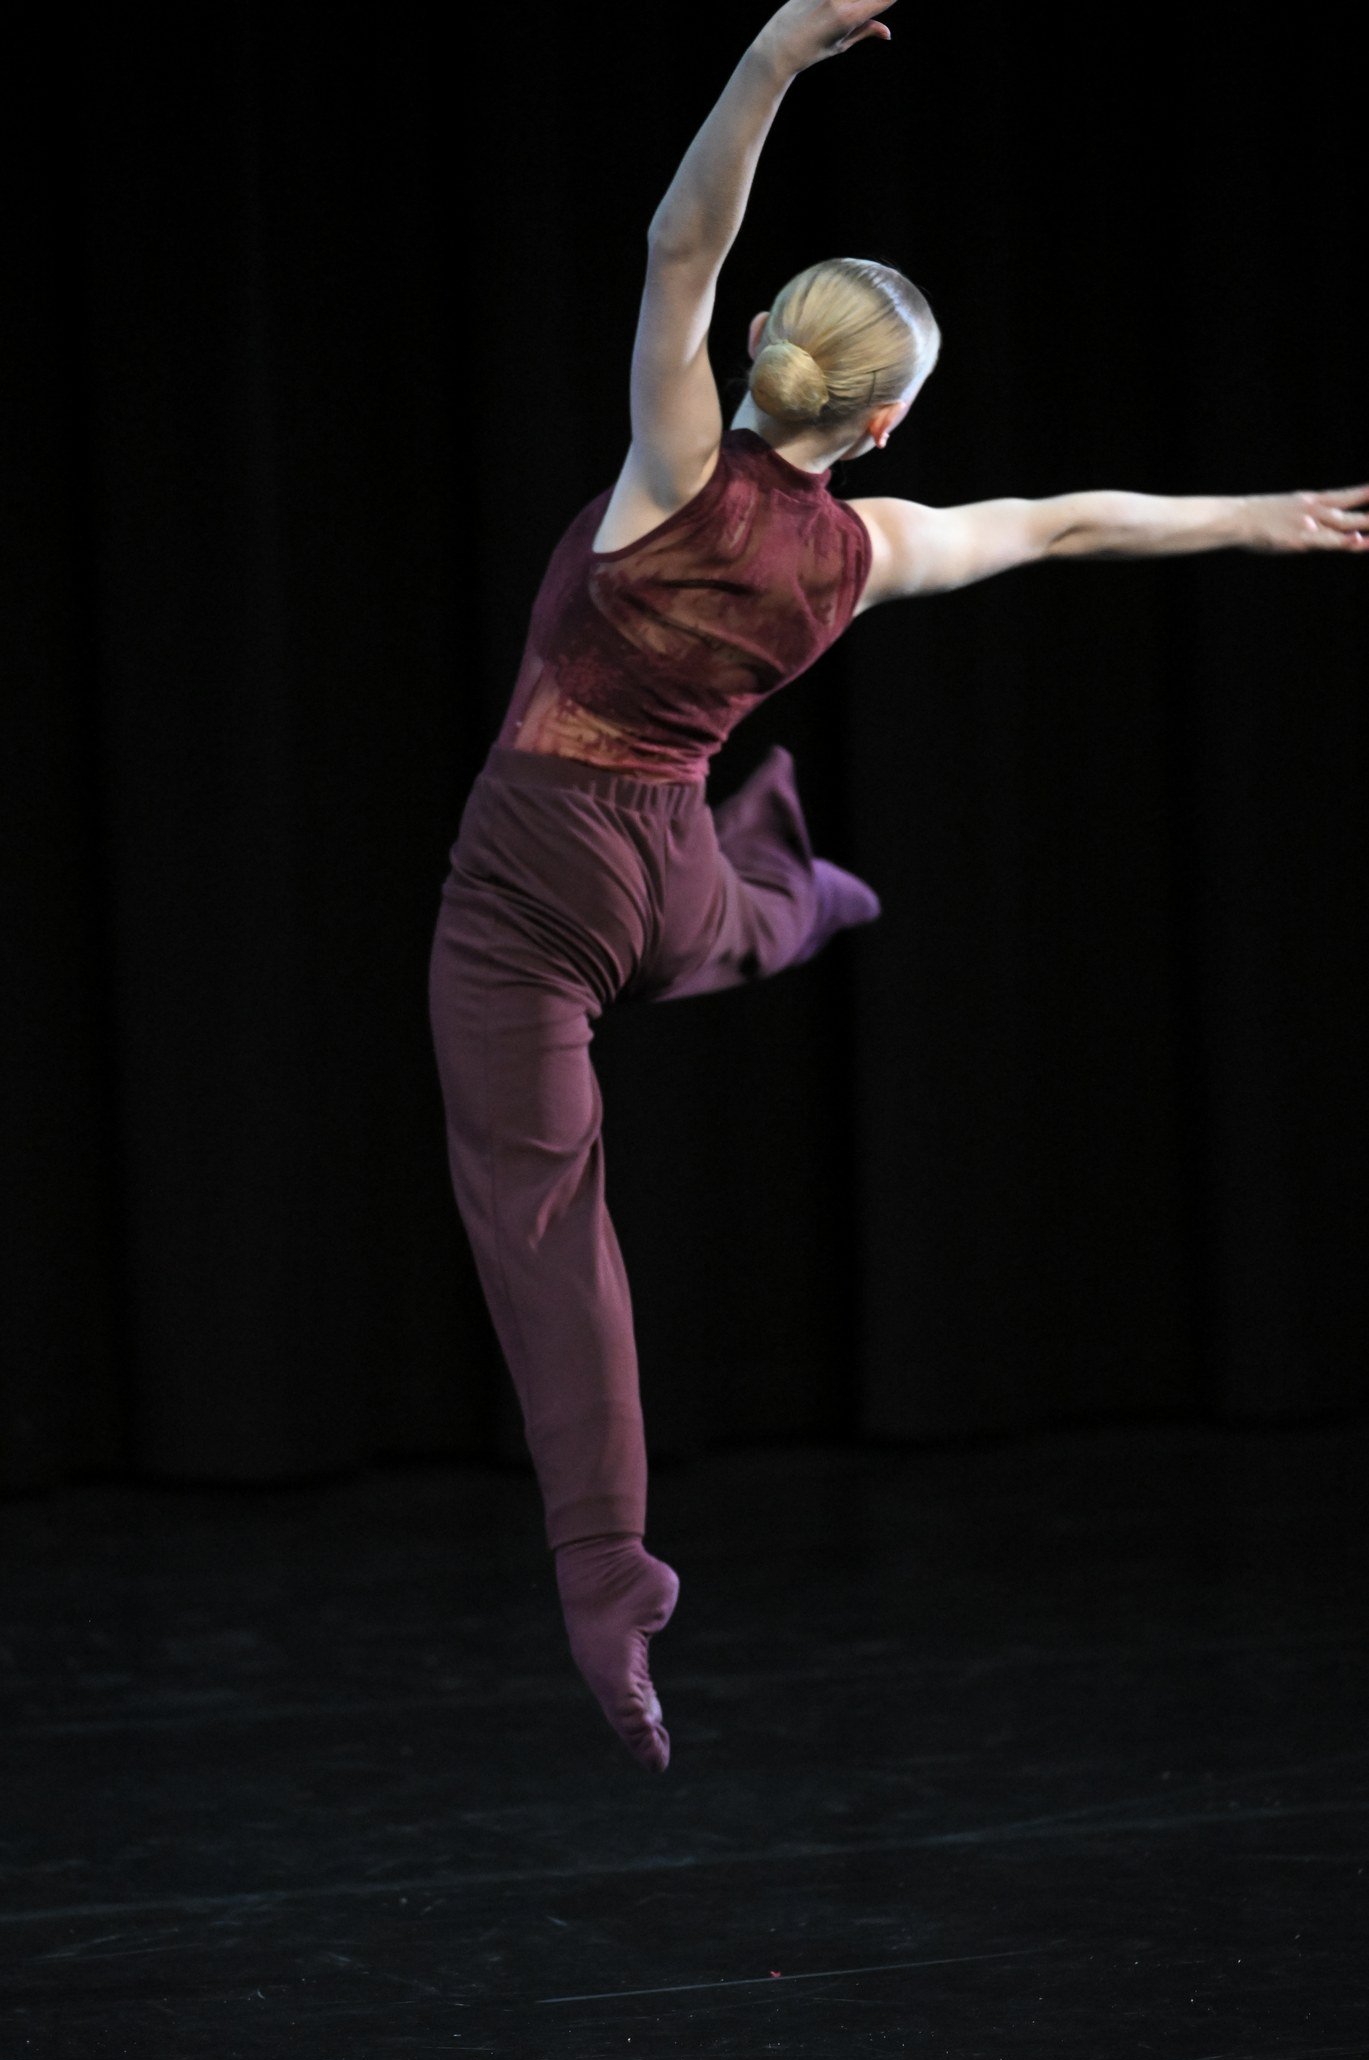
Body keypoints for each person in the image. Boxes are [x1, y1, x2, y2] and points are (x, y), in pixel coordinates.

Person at [427, 0, 1369, 1775]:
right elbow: (1064, 521)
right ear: (879, 428)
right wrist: (1256, 515)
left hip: (531, 883)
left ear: (762, 341)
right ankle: (794, 893)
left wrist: (770, 59)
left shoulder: (667, 469)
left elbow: (678, 240)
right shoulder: (866, 550)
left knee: (543, 1211)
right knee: (725, 926)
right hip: (665, 873)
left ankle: (609, 1566)